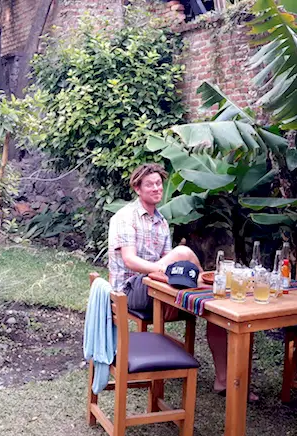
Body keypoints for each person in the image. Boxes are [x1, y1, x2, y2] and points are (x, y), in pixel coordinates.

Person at [108, 162, 256, 400]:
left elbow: (168, 263)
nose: (157, 188)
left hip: (159, 287)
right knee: (184, 252)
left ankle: (224, 380)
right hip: (131, 290)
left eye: (159, 183)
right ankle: (211, 287)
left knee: (216, 313)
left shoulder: (161, 222)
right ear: (137, 188)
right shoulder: (125, 217)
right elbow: (130, 260)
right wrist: (162, 267)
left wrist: (167, 268)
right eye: (150, 184)